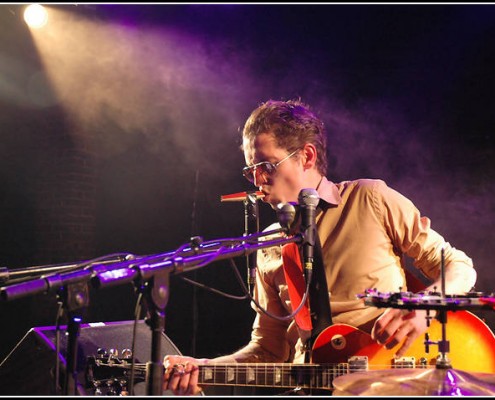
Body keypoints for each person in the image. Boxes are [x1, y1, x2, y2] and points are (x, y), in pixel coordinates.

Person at [162, 99, 476, 396]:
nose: (257, 180)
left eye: (266, 166)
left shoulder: (370, 199)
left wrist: (424, 308)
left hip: (400, 381)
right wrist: (202, 369)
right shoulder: (271, 244)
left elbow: (459, 267)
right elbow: (267, 350)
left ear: (307, 156)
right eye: (250, 170)